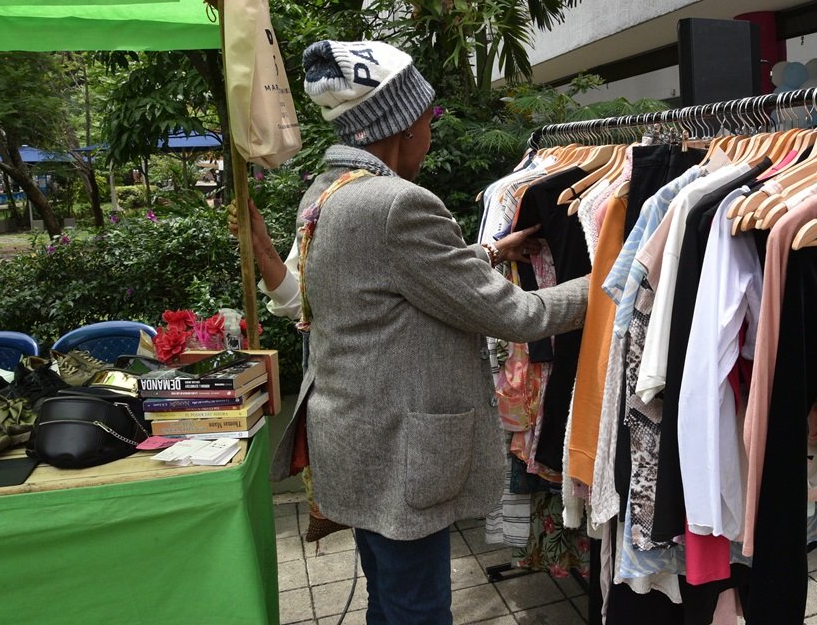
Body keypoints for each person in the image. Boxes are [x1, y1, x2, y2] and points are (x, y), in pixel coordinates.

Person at [236, 40, 588, 624]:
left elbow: (395, 283)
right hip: (400, 458)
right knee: (418, 611)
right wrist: (613, 280)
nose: (431, 133)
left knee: (389, 601)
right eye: (429, 119)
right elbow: (519, 316)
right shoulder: (399, 205)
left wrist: (488, 252)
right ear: (401, 125)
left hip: (355, 445)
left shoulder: (326, 192)